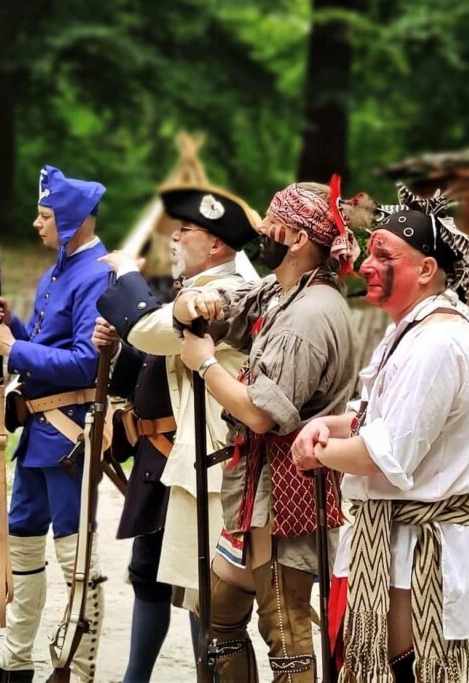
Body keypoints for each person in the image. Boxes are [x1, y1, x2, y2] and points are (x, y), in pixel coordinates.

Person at [292, 185, 469, 681]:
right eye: (369, 251)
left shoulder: (435, 342)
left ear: (425, 269)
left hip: (415, 544)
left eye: (384, 254)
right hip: (395, 537)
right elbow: (374, 418)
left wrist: (321, 451)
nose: (365, 264)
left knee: (405, 670)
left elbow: (387, 454)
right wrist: (326, 424)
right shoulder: (412, 330)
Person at [173, 179, 369, 680]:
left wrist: (204, 365)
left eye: (271, 220)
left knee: (286, 631)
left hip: (288, 491)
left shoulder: (308, 313)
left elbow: (261, 414)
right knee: (219, 611)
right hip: (259, 487)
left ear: (299, 238)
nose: (261, 228)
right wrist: (202, 306)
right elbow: (232, 306)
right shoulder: (287, 291)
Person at [92, 183, 260, 681]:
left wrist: (125, 274)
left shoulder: (229, 292)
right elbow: (148, 348)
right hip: (188, 466)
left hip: (215, 467)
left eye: (185, 231)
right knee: (186, 587)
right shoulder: (199, 291)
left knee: (214, 603)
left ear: (216, 245)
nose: (173, 239)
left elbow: (147, 328)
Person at [0, 165, 109, 682]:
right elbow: (47, 341)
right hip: (37, 431)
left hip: (68, 434)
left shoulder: (97, 272)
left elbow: (85, 362)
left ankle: (77, 669)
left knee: (74, 555)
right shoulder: (57, 268)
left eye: (45, 215)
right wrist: (12, 323)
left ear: (73, 218)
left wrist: (13, 347)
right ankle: (15, 662)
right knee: (23, 540)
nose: (37, 224)